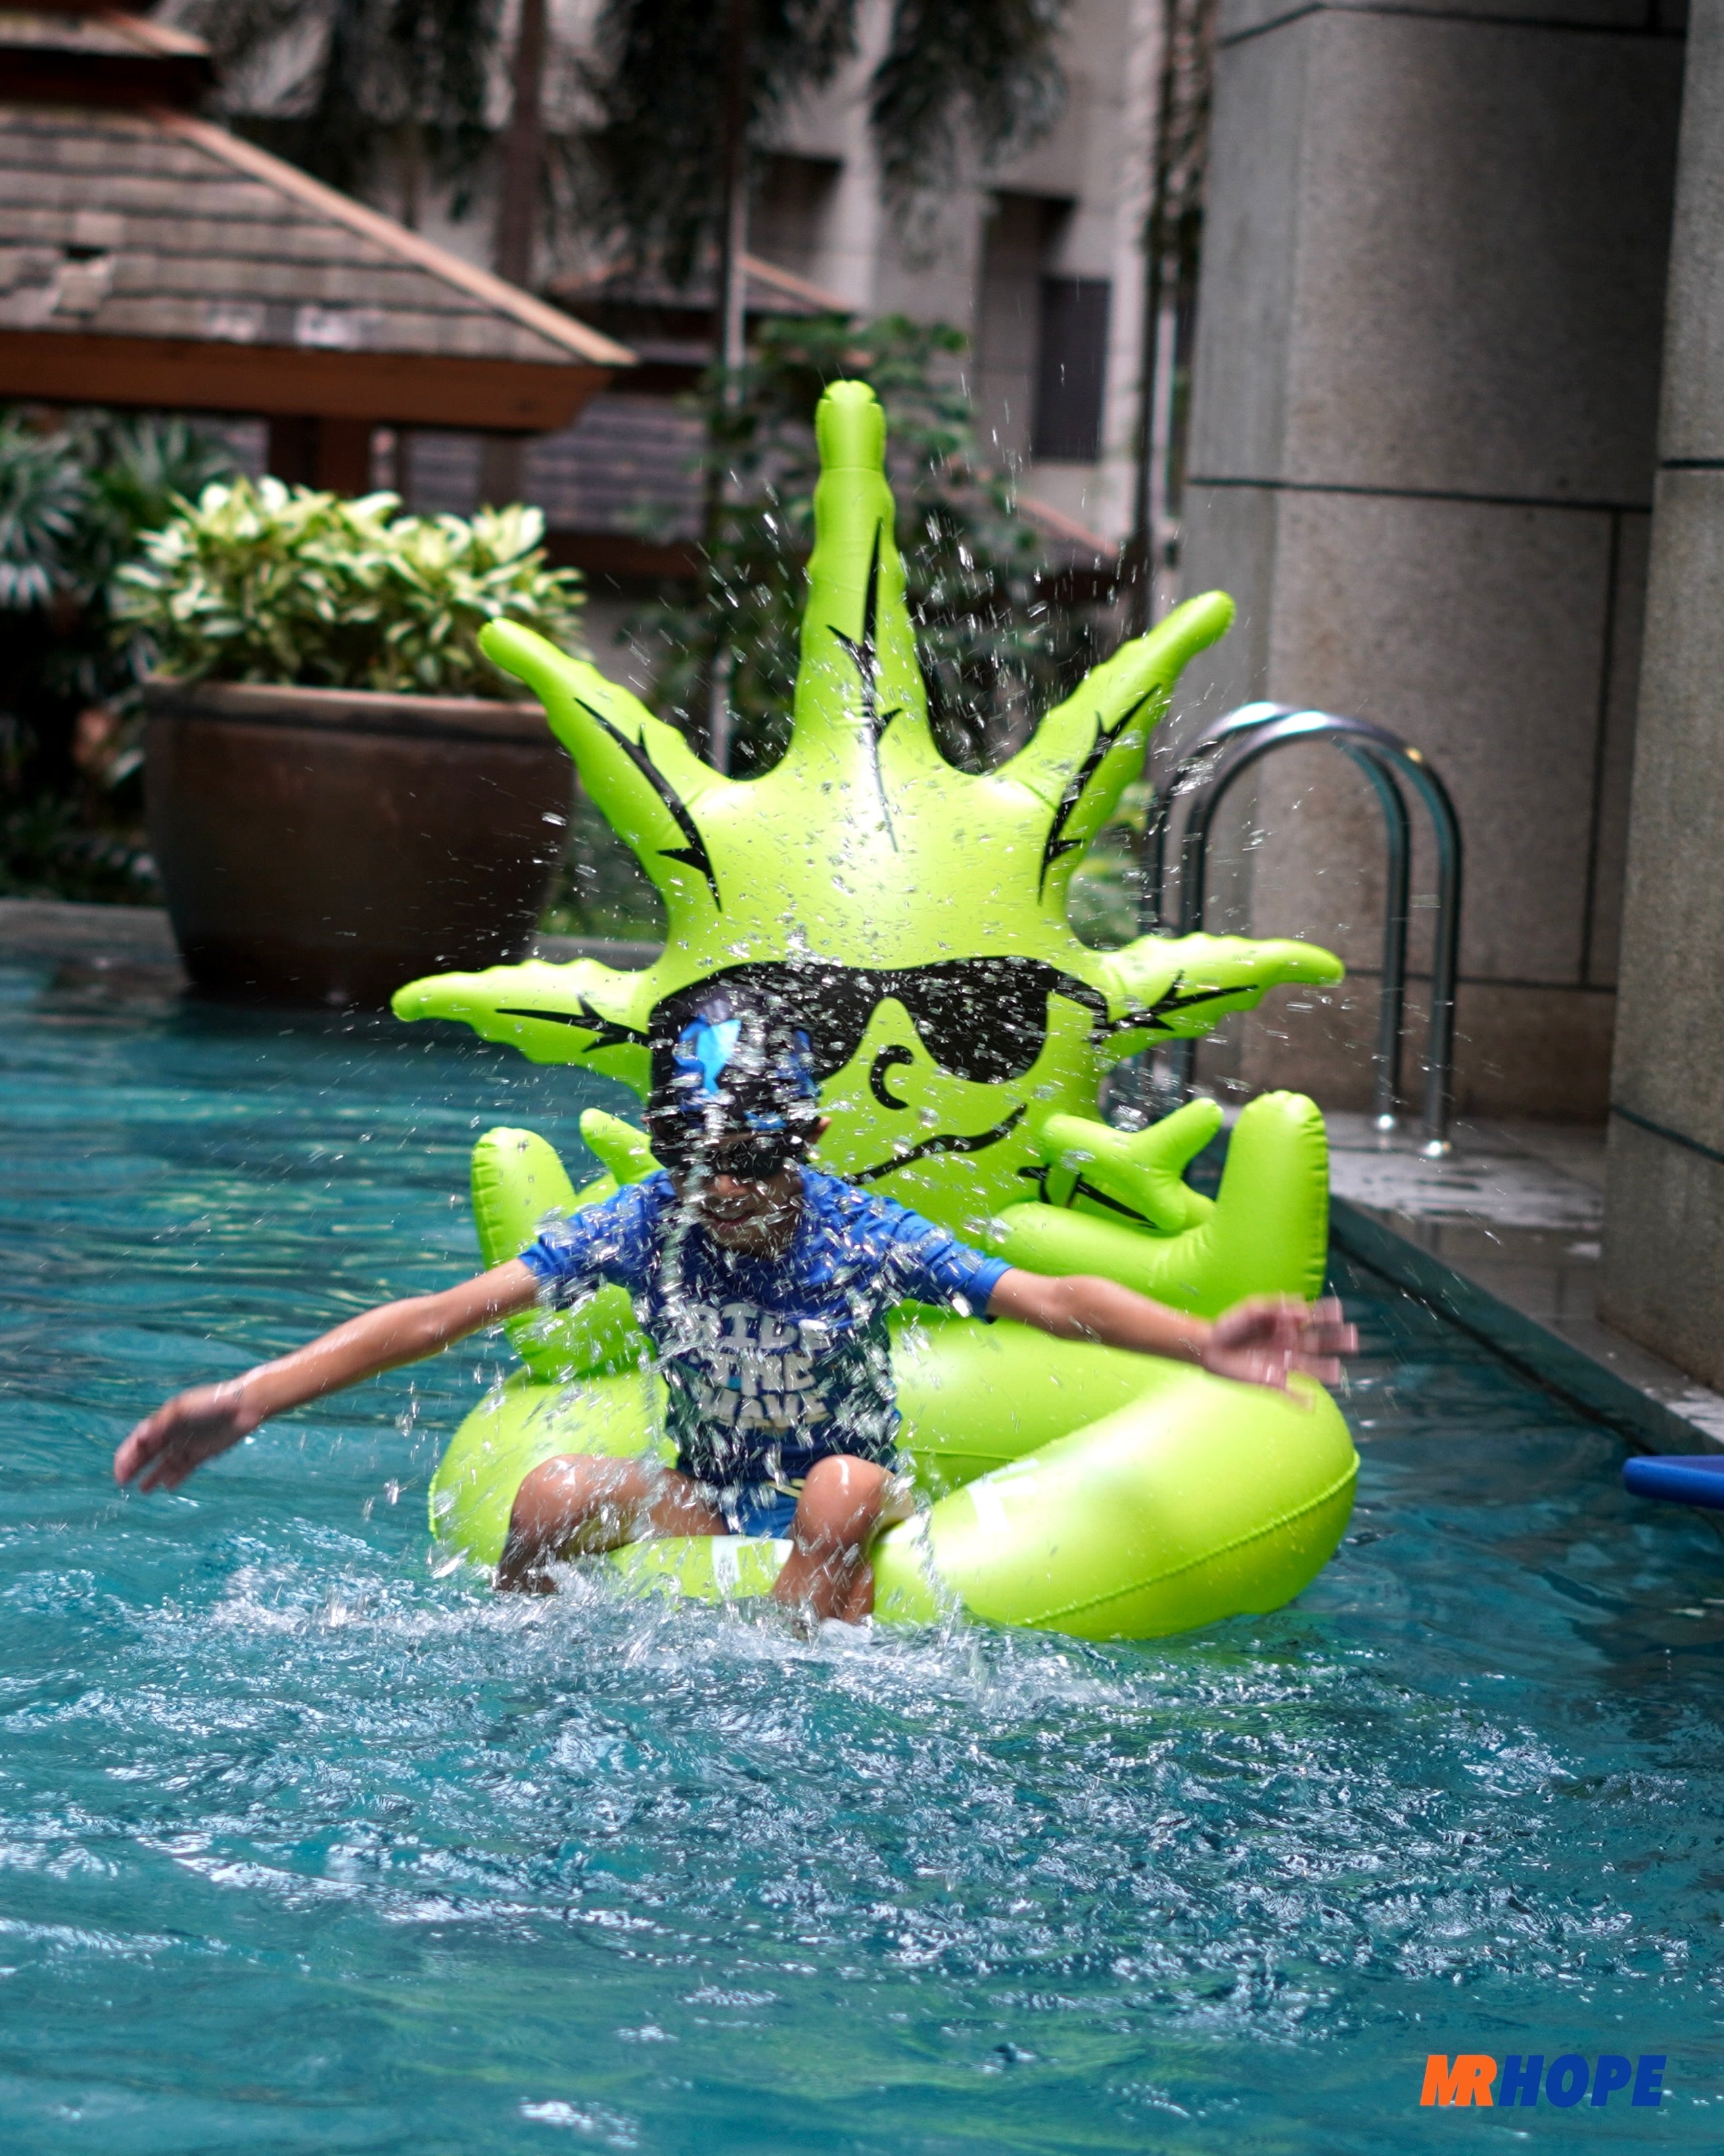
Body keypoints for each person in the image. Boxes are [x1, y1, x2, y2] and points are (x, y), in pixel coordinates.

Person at [114, 994, 1357, 1624]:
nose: (725, 1194)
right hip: (705, 1491)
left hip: (852, 1485)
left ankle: (785, 1703)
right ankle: (525, 1680)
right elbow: (445, 1316)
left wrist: (1199, 1340)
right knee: (548, 1495)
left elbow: (1047, 1298)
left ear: (799, 1144)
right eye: (700, 1164)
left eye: (751, 1163)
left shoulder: (857, 1226)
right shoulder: (646, 1218)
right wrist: (247, 1398)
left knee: (838, 1492)